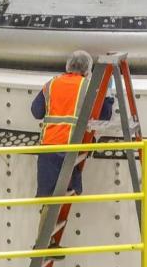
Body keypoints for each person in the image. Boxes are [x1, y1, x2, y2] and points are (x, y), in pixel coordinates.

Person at [30, 50, 114, 199]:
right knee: (68, 190)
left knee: (48, 199)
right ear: (87, 70)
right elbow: (104, 116)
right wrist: (108, 95)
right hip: (72, 147)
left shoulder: (52, 84)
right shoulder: (88, 87)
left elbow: (36, 112)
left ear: (68, 66)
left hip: (48, 146)